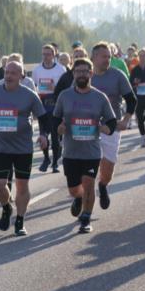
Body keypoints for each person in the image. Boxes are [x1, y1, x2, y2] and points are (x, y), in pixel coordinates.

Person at [0, 60, 47, 236]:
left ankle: (20, 220)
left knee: (22, 186)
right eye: (7, 72)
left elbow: (43, 117)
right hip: (1, 147)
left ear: (21, 76)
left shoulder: (29, 95)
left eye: (13, 73)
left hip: (23, 148)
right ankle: (7, 206)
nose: (8, 76)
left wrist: (44, 135)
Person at [53, 58, 117, 234]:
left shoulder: (99, 97)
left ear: (91, 74)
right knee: (74, 189)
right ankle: (79, 199)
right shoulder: (65, 96)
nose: (81, 74)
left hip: (91, 151)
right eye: (78, 71)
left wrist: (106, 128)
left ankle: (86, 218)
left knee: (89, 184)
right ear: (73, 74)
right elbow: (55, 118)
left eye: (85, 71)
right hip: (71, 151)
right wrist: (59, 128)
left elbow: (111, 121)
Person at [90, 42, 136, 209]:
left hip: (111, 127)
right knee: (87, 166)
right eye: (104, 57)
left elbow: (131, 100)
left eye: (109, 57)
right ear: (94, 58)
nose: (107, 60)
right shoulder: (84, 76)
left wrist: (125, 120)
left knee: (107, 170)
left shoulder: (117, 75)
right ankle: (81, 196)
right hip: (88, 127)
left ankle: (103, 185)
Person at [32, 44, 68, 172]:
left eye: (48, 54)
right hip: (43, 105)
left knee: (54, 135)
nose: (46, 57)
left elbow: (65, 87)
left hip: (56, 105)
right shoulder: (37, 70)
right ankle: (46, 158)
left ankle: (54, 163)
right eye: (44, 54)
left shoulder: (61, 69)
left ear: (54, 55)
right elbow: (34, 88)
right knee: (43, 135)